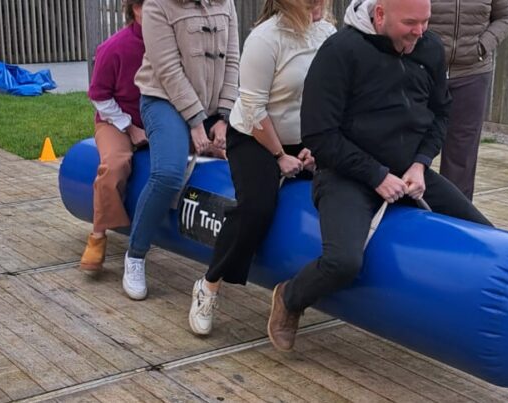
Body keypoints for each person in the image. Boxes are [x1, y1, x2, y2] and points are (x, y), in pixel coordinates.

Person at [267, 0, 494, 352]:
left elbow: (441, 113)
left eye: (425, 21)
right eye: (410, 23)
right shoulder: (340, 51)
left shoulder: (429, 47)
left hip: (409, 172)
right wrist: (376, 175)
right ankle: (290, 297)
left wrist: (421, 163)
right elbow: (320, 135)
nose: (420, 31)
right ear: (380, 14)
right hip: (346, 174)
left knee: (486, 238)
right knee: (343, 263)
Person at [188, 0, 337, 336]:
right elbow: (254, 109)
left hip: (305, 139)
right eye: (311, 0)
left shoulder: (328, 34)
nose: (320, 5)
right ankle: (209, 284)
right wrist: (280, 155)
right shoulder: (265, 39)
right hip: (254, 136)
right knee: (256, 206)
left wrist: (316, 146)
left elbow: (331, 97)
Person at [123, 0, 240, 300]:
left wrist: (225, 117)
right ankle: (135, 254)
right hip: (164, 100)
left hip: (213, 106)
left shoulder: (226, 2)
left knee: (248, 156)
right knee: (168, 174)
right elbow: (168, 70)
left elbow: (232, 62)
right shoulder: (157, 5)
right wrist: (196, 122)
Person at [80, 0, 147, 272]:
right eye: (149, 5)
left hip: (157, 120)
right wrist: (130, 127)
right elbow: (99, 97)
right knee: (115, 165)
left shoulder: (169, 45)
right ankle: (98, 235)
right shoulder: (114, 47)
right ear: (135, 9)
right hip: (115, 121)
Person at [430, 0, 508, 200]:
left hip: (472, 74)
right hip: (424, 70)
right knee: (408, 141)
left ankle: (455, 211)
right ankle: (401, 207)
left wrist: (482, 46)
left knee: (462, 150)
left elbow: (507, 16)